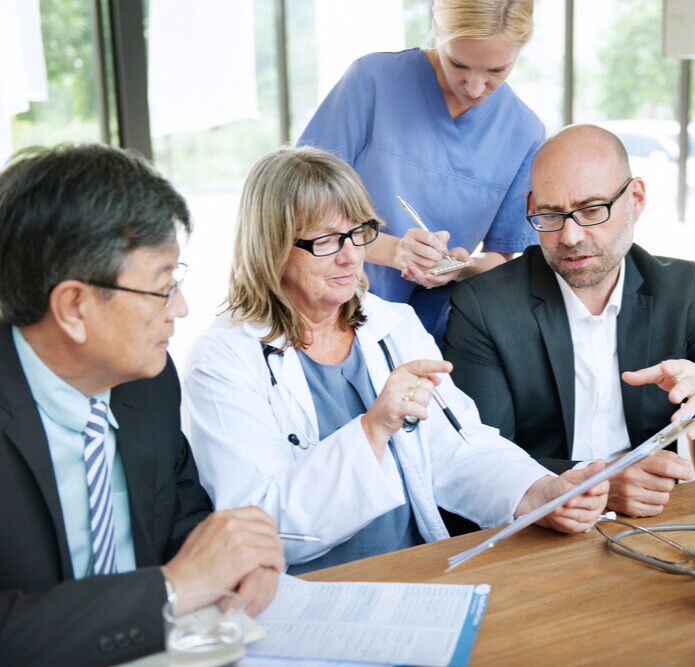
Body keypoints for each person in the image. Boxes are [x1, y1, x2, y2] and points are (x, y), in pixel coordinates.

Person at [183, 145, 609, 574]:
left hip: (412, 573)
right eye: (326, 240)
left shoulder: (395, 326)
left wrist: (539, 493)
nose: (351, 255)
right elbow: (261, 527)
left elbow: (458, 448)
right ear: (271, 246)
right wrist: (373, 429)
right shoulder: (223, 359)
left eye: (359, 232)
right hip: (306, 589)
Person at [0, 144, 285, 666]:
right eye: (163, 287)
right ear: (74, 306)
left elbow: (181, 520)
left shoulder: (147, 383)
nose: (182, 309)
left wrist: (239, 562)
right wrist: (175, 586)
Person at [444, 124, 695, 518]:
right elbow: (477, 460)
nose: (570, 236)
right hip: (535, 528)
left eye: (592, 210)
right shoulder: (485, 305)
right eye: (550, 214)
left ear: (636, 199)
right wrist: (599, 483)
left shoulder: (679, 290)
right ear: (531, 208)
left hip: (652, 522)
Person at [298, 0, 543, 345]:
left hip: (433, 328)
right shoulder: (373, 81)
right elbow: (299, 203)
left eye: (496, 71)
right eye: (459, 64)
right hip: (331, 305)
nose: (474, 88)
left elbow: (500, 256)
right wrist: (394, 251)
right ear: (437, 30)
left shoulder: (524, 131)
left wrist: (460, 267)